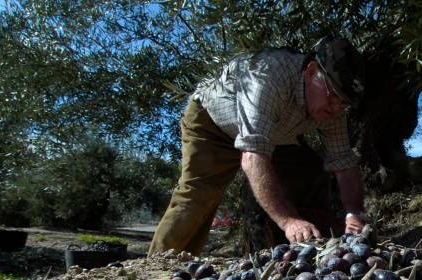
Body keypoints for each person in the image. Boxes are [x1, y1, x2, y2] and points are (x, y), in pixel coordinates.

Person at [149, 37, 369, 255]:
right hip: (214, 125)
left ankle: (300, 256)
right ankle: (159, 270)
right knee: (199, 195)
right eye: (332, 96)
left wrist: (353, 212)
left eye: (344, 103)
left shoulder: (334, 107)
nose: (336, 108)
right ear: (311, 72)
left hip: (274, 135)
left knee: (309, 172)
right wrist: (288, 220)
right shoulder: (268, 76)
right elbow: (253, 158)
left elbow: (343, 162)